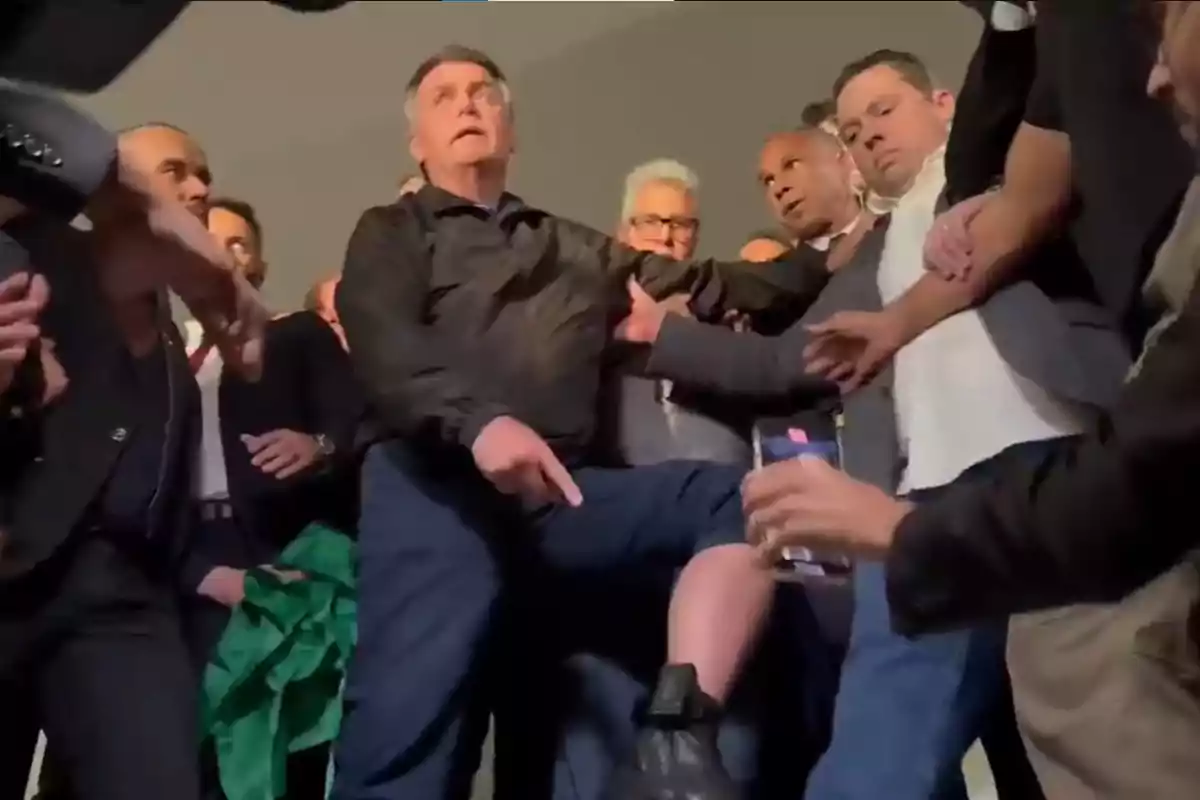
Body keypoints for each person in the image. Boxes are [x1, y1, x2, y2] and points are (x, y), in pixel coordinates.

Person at [330, 45, 830, 800]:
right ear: (416, 141)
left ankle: (675, 737)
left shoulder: (577, 248)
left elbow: (718, 283)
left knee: (742, 500)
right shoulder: (391, 231)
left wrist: (842, 247)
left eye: (483, 93)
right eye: (444, 96)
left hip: (556, 495)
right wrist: (479, 425)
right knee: (411, 734)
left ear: (511, 128)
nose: (467, 104)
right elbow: (385, 343)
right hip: (432, 486)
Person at [742, 4, 1200, 798]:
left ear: (941, 102)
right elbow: (789, 353)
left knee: (1095, 684)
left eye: (883, 110)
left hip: (1067, 445)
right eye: (852, 130)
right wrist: (891, 327)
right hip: (937, 491)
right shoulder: (880, 250)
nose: (869, 135)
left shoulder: (999, 166)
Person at [0, 122, 211, 800]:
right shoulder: (32, 258)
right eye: (174, 171)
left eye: (203, 174)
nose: (197, 188)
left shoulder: (173, 321)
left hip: (123, 595)